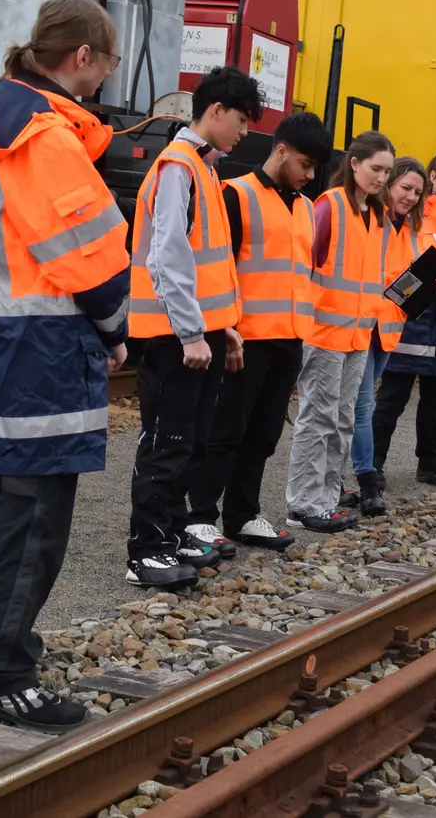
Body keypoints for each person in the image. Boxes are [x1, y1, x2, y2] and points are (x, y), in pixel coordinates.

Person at [0, 0, 131, 733]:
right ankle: (5, 674)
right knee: (33, 518)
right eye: (107, 62)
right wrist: (115, 330)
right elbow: (88, 254)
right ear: (82, 57)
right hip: (42, 351)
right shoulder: (45, 137)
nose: (106, 76)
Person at [125, 66, 264, 589]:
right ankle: (146, 550)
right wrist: (190, 333)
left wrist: (221, 326)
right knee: (167, 443)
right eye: (242, 121)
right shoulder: (179, 168)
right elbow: (167, 257)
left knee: (190, 441)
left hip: (197, 333)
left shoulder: (203, 169)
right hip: (173, 337)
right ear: (216, 111)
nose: (244, 132)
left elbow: (207, 265)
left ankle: (173, 531)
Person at [184, 112, 333, 553]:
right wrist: (226, 328)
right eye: (305, 164)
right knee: (226, 431)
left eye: (315, 168)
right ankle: (200, 517)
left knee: (264, 434)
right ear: (281, 151)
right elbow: (218, 268)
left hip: (288, 339)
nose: (310, 176)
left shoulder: (304, 207)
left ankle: (243, 515)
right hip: (244, 340)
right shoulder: (238, 195)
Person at [285, 130, 396, 530]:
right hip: (324, 333)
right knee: (318, 419)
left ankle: (326, 499)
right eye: (375, 168)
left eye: (387, 171)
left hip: (357, 335)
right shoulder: (329, 206)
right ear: (354, 164)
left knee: (343, 419)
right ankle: (303, 504)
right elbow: (303, 267)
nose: (381, 177)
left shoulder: (378, 216)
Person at [369, 152, 436, 486]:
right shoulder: (416, 212)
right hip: (412, 315)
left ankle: (430, 463)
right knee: (392, 397)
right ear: (432, 176)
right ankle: (371, 466)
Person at [341, 157, 429, 516]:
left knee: (355, 407)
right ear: (389, 184)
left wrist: (430, 285)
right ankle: (368, 482)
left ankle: (335, 481)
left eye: (417, 192)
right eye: (405, 187)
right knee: (362, 407)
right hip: (362, 325)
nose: (410, 196)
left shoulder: (410, 230)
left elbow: (402, 282)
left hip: (387, 331)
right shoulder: (370, 221)